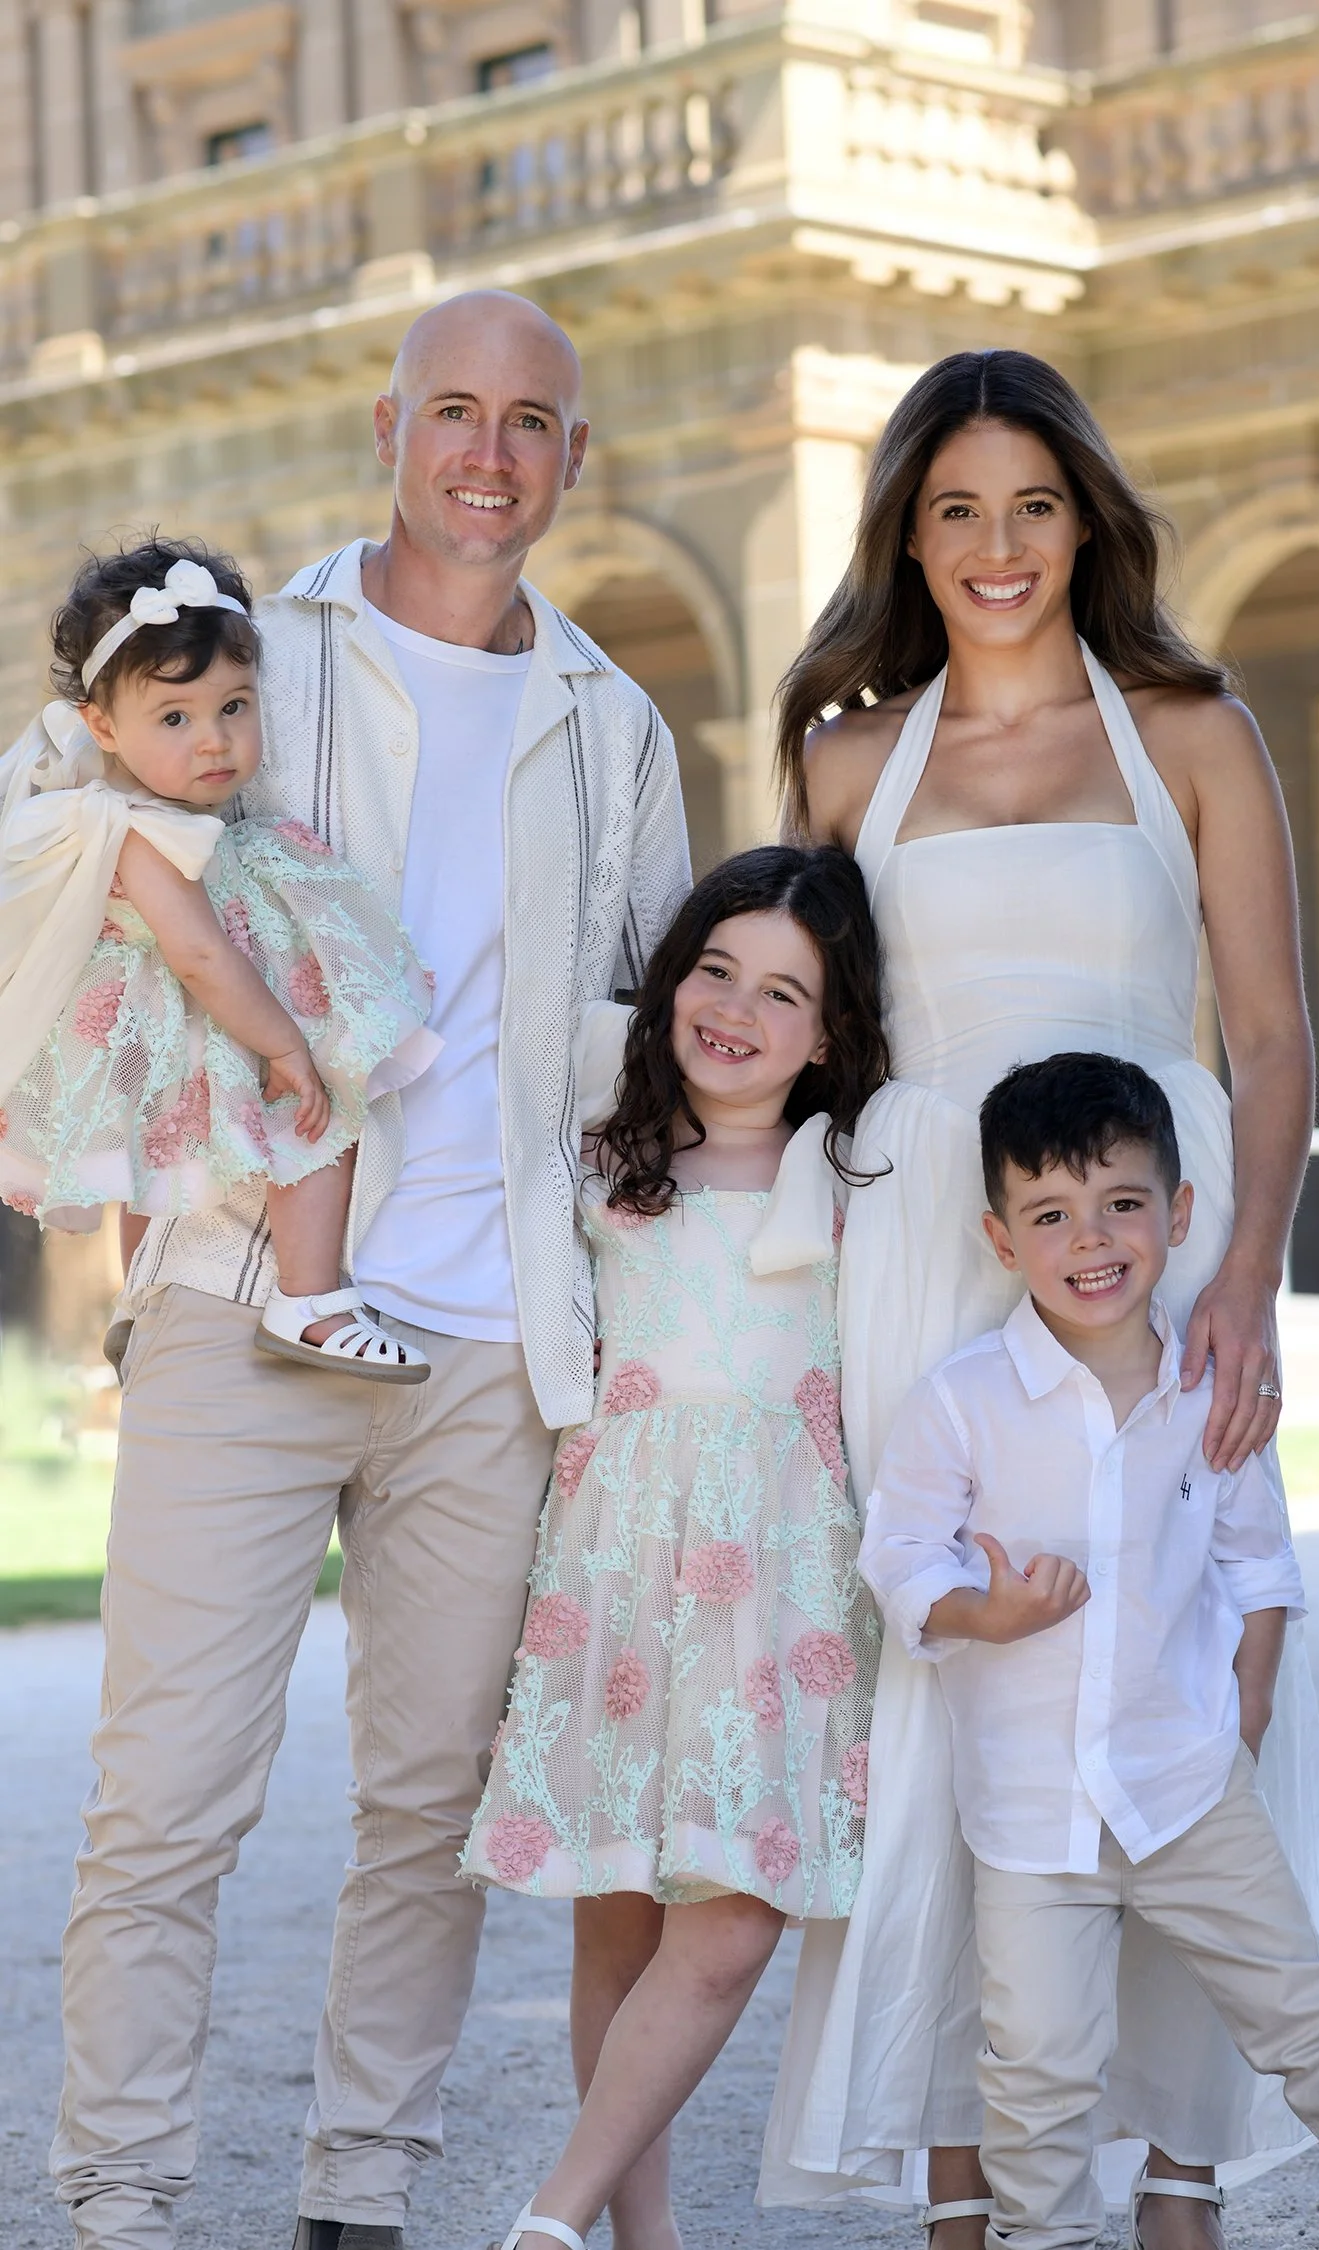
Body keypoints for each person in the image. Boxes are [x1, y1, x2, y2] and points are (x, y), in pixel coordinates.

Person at [49, 291, 692, 2250]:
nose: (486, 455)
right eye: (452, 413)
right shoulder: (251, 650)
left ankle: (356, 2207)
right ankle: (122, 2209)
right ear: (388, 430)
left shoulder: (620, 725)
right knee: (166, 1810)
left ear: (573, 460)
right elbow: (45, 819)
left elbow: (658, 1046)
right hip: (243, 1303)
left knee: (428, 1828)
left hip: (495, 1353)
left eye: (527, 423)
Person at [760, 348, 1319, 2247]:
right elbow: (807, 1048)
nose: (997, 544)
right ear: (908, 536)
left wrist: (1252, 1283)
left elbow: (1273, 1037)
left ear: (1086, 516)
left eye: (1032, 502)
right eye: (954, 508)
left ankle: (1179, 2169)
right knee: (954, 1696)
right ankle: (972, 2183)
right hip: (920, 1267)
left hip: (1158, 1242)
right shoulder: (849, 759)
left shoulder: (1192, 731)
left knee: (1198, 1675)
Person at [860, 1051, 1319, 2250]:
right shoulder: (962, 1401)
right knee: (1037, 2075)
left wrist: (1239, 1720)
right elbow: (901, 1562)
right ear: (1001, 1238)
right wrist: (993, 1615)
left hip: (1190, 1787)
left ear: (1178, 1214)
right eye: (1051, 1214)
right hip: (1032, 1815)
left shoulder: (1208, 1389)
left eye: (1121, 1203)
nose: (1091, 1239)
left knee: (1311, 2014)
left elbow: (1259, 1569)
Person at [462, 845, 886, 2250]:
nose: (735, 1010)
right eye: (714, 968)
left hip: (781, 1576)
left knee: (738, 1910)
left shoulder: (855, 1179)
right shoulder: (603, 1160)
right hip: (621, 1561)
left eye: (784, 993)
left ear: (830, 1034)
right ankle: (636, 2235)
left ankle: (546, 2216)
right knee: (619, 1917)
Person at [0, 538, 437, 1382]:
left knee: (149, 1167)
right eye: (175, 718)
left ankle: (141, 1293)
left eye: (234, 706)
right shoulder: (138, 829)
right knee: (325, 1096)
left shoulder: (126, 813)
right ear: (102, 725)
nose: (215, 742)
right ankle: (309, 1297)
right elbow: (201, 956)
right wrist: (284, 1046)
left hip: (163, 1026)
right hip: (203, 1013)